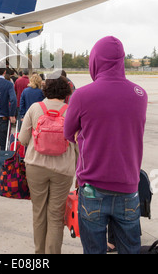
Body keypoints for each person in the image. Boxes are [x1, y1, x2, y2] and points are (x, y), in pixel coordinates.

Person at [64, 36, 148, 254]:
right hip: (129, 187)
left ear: (95, 61)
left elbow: (67, 133)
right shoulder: (140, 94)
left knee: (93, 250)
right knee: (130, 249)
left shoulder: (82, 95)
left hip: (93, 188)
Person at [19, 76, 78, 254]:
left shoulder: (35, 108)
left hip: (36, 167)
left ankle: (40, 254)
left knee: (39, 212)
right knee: (55, 215)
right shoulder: (71, 111)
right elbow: (77, 145)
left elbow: (22, 139)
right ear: (65, 93)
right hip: (62, 170)